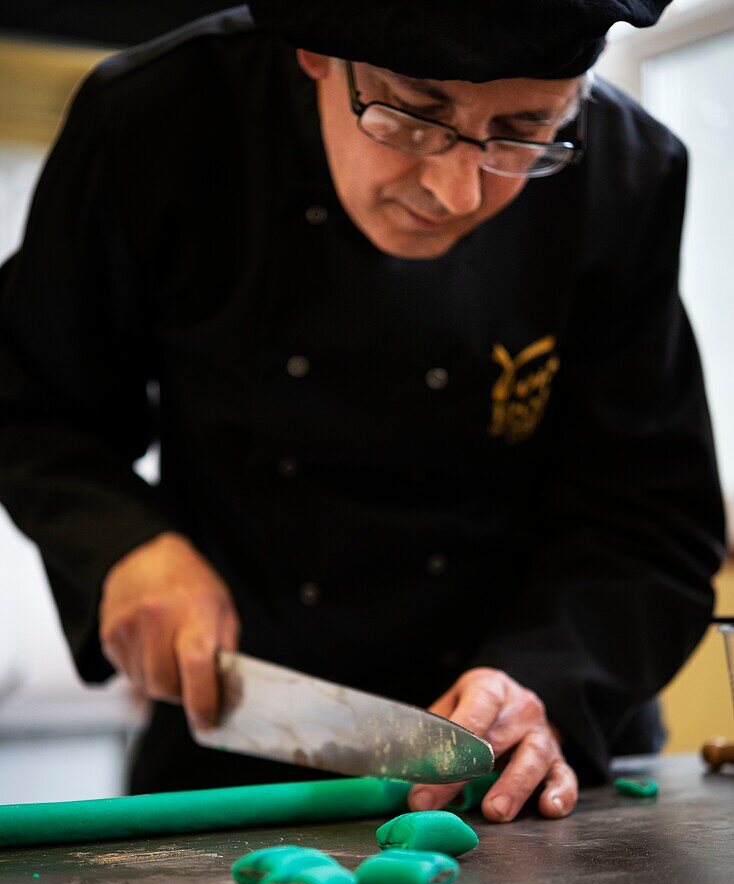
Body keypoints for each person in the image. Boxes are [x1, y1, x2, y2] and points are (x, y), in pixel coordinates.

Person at [0, 1, 725, 820]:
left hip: (523, 770)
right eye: (414, 116)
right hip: (238, 759)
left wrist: (551, 683)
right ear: (316, 51)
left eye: (525, 131)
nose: (456, 192)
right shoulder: (157, 122)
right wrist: (126, 548)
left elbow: (652, 517)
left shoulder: (630, 173)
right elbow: (31, 400)